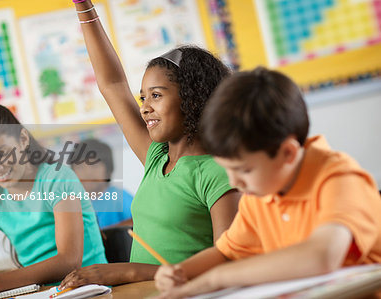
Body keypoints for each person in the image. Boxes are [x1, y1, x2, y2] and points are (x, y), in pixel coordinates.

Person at [58, 0, 241, 289]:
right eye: (143, 97)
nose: (144, 108)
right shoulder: (156, 157)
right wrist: (83, 6)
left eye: (156, 95)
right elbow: (113, 84)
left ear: (193, 98)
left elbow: (229, 261)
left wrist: (129, 272)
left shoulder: (218, 173)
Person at [153, 67, 381, 299]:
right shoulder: (259, 194)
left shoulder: (340, 178)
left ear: (288, 153)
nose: (235, 182)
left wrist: (217, 278)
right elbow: (226, 253)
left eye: (244, 170)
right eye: (228, 170)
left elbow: (322, 256)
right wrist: (181, 271)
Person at [0, 104, 107, 299]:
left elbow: (69, 261)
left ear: (23, 140)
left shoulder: (56, 179)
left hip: (89, 290)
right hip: (40, 294)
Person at [69, 138, 133, 228]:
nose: (88, 173)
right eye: (80, 167)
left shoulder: (120, 198)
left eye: (94, 165)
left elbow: (142, 222)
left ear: (108, 169)